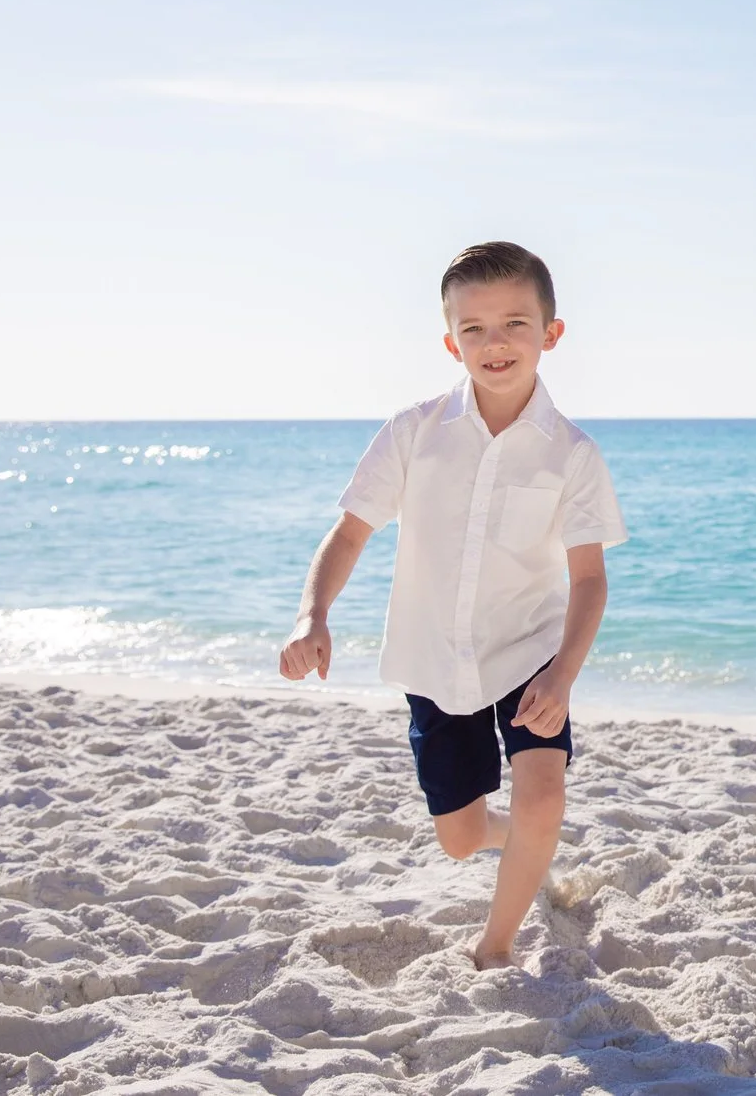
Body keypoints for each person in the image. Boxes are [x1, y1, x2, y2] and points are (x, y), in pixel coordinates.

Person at [277, 240, 625, 969]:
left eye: (514, 323)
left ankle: (494, 946)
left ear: (550, 333)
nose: (494, 343)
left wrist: (562, 676)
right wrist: (314, 614)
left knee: (543, 797)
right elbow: (350, 530)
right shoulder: (414, 431)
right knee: (461, 836)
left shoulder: (573, 453)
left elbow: (588, 579)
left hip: (529, 654)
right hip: (436, 661)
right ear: (450, 341)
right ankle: (518, 847)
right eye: (474, 328)